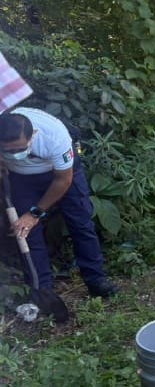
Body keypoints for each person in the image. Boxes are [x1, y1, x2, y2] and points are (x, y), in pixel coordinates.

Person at [0, 108, 117, 299]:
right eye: (9, 151)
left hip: (62, 175)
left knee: (81, 224)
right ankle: (42, 291)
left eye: (20, 149)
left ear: (33, 136)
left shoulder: (54, 136)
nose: (14, 154)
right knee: (25, 232)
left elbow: (62, 180)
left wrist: (34, 213)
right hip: (21, 179)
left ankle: (96, 281)